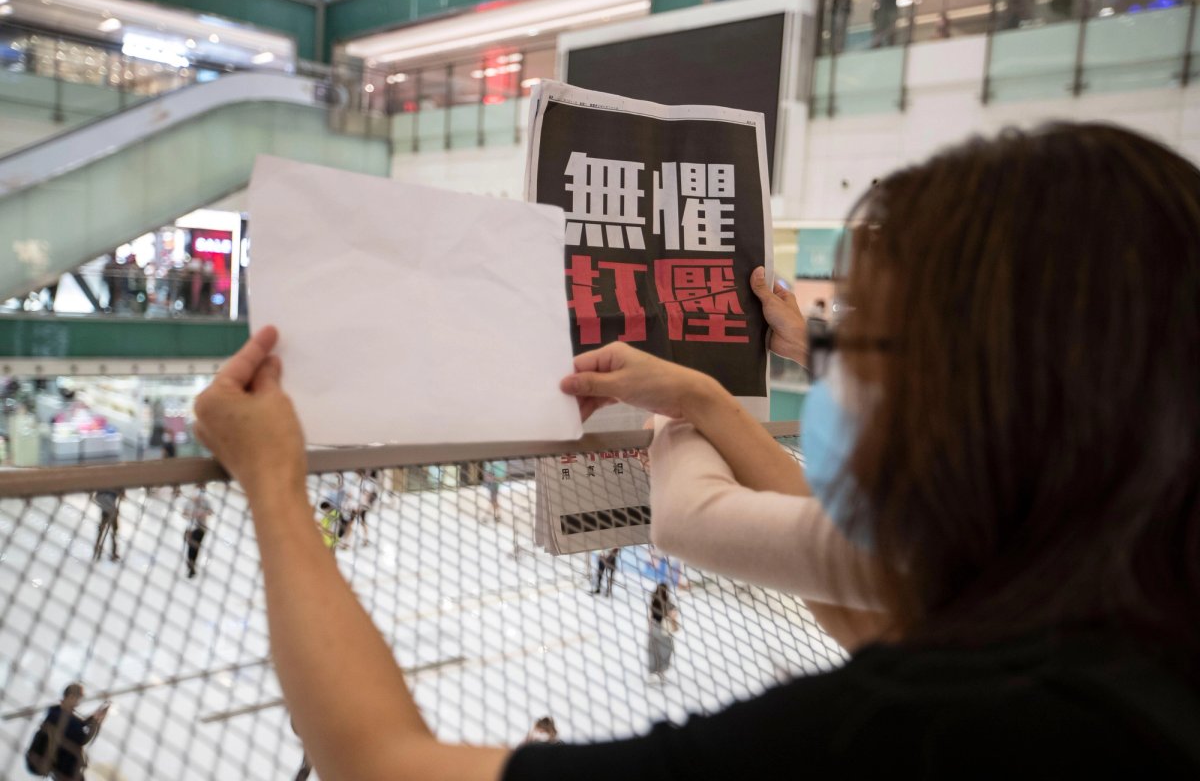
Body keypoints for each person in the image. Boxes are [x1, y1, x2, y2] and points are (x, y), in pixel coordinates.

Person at [193, 123, 1200, 779]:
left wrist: (274, 481)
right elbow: (865, 599)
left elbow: (381, 760)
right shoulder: (1138, 637)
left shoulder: (927, 733)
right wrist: (709, 400)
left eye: (866, 344)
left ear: (991, 406)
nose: (836, 373)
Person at [26, 683, 109, 780]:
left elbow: (78, 724)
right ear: (71, 697)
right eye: (78, 699)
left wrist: (93, 719)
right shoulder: (60, 717)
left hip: (61, 769)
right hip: (65, 769)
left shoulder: (55, 712)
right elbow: (82, 738)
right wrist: (96, 722)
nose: (78, 703)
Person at [646, 583, 678, 682]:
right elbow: (673, 615)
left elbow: (650, 617)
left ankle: (652, 672)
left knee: (653, 650)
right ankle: (661, 671)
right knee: (666, 649)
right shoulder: (669, 604)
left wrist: (650, 628)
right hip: (664, 629)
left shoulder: (653, 601)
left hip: (654, 628)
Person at [183, 484, 213, 579]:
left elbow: (211, 512)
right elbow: (183, 514)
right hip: (190, 527)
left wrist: (203, 513)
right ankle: (191, 564)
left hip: (201, 528)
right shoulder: (189, 501)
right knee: (191, 547)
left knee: (195, 547)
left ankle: (192, 565)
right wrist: (192, 514)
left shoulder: (205, 501)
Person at [91, 489, 123, 562]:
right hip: (106, 511)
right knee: (101, 531)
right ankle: (97, 550)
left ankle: (113, 552)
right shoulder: (104, 487)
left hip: (113, 512)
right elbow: (97, 497)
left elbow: (122, 496)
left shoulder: (118, 485)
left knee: (114, 531)